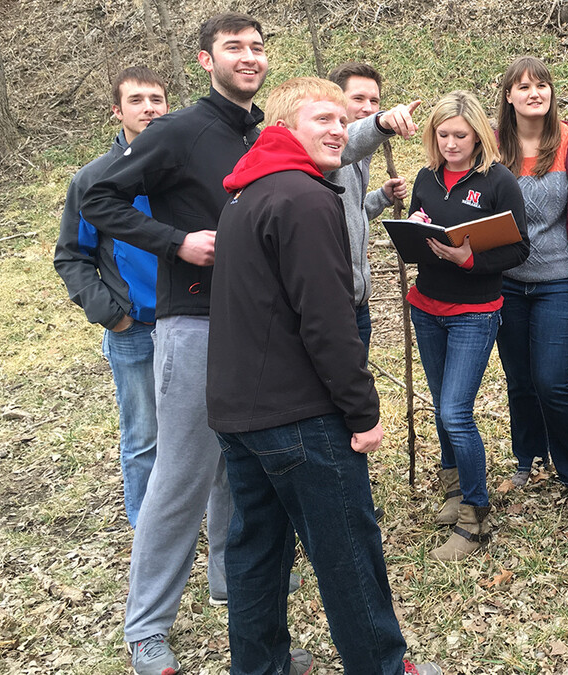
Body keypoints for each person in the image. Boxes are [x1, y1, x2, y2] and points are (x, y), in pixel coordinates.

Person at [209, 76, 440, 675]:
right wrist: (362, 412)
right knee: (346, 554)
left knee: (257, 551)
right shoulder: (305, 198)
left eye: (343, 120)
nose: (339, 129)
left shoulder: (244, 195)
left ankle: (259, 666)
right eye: (322, 120)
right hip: (300, 417)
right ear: (283, 128)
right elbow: (328, 321)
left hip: (241, 416)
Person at [81, 14, 270, 674]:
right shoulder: (179, 131)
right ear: (204, 59)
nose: (248, 58)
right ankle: (146, 626)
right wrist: (176, 242)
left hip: (254, 324)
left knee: (237, 467)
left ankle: (226, 577)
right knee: (181, 474)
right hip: (193, 321)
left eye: (255, 47)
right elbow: (95, 195)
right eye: (233, 49)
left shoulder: (259, 131)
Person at [405, 90, 528, 561]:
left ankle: (475, 515)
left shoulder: (498, 182)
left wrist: (470, 257)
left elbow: (519, 250)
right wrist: (416, 228)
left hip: (475, 311)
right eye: (444, 135)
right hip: (427, 305)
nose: (452, 143)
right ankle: (453, 488)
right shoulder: (426, 178)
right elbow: (420, 242)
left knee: (457, 411)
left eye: (461, 135)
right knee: (441, 406)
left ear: (479, 135)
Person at [53, 66, 168, 529]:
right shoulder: (94, 179)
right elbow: (72, 256)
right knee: (144, 436)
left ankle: (214, 520)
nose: (149, 108)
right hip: (134, 329)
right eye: (137, 100)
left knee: (212, 429)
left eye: (157, 99)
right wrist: (113, 315)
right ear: (117, 112)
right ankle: (148, 530)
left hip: (197, 321)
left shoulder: (182, 170)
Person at [493, 56, 568, 509]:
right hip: (506, 283)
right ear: (508, 97)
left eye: (542, 85)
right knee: (519, 378)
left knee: (552, 380)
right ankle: (529, 459)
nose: (534, 93)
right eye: (523, 86)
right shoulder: (493, 145)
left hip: (560, 280)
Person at [325, 61, 408, 345]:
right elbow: (348, 146)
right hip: (332, 305)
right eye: (358, 99)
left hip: (359, 301)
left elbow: (350, 210)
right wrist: (381, 123)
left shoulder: (360, 157)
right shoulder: (326, 150)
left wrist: (381, 198)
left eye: (375, 101)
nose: (369, 107)